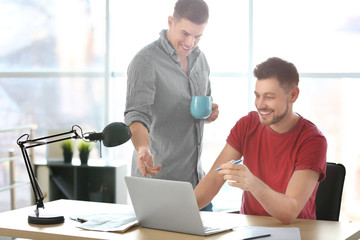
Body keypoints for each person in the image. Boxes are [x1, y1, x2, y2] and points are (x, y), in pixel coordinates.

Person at [194, 57, 327, 223]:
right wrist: (175, 212)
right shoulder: (247, 124)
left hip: (296, 232)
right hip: (250, 231)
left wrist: (252, 183)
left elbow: (289, 211)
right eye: (257, 96)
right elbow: (213, 180)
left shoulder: (313, 140)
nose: (260, 104)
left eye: (269, 97)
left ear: (293, 95)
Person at [124, 0, 219, 210]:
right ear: (170, 22)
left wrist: (209, 113)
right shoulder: (145, 61)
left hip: (196, 185)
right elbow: (135, 115)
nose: (190, 42)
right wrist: (142, 149)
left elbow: (199, 104)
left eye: (197, 36)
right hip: (159, 185)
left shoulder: (200, 59)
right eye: (185, 33)